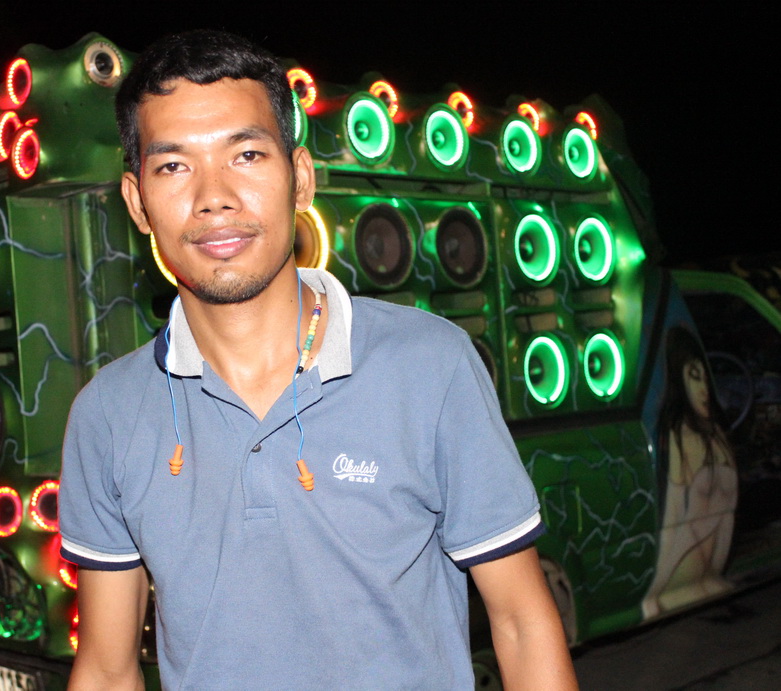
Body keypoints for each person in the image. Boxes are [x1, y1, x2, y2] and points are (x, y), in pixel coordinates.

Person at [59, 29, 577, 690]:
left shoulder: (429, 365)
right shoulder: (107, 415)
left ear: (300, 178)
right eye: (174, 166)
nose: (214, 195)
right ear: (137, 202)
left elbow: (522, 623)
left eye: (246, 154)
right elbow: (107, 668)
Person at [642, 326, 738, 618]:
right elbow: (673, 519)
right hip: (687, 573)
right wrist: (654, 592)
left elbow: (724, 519)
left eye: (705, 376)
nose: (704, 389)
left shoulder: (714, 435)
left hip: (710, 574)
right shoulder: (679, 436)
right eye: (693, 377)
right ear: (679, 381)